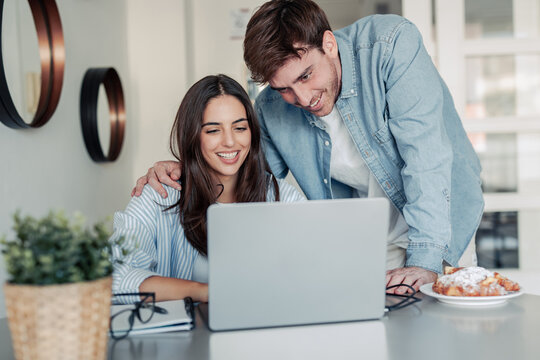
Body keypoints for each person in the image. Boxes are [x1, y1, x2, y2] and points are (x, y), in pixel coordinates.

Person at [132, 0, 484, 294]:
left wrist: (424, 261)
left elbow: (426, 157)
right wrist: (184, 167)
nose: (301, 98)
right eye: (282, 87)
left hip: (439, 225)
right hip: (366, 240)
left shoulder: (390, 45)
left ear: (328, 44)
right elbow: (245, 174)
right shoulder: (271, 107)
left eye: (305, 76)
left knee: (440, 335)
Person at [111, 74, 304, 303]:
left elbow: (313, 272)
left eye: (240, 128)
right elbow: (114, 277)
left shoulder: (283, 199)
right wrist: (205, 292)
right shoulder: (159, 195)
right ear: (193, 136)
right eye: (213, 130)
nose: (230, 142)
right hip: (184, 337)